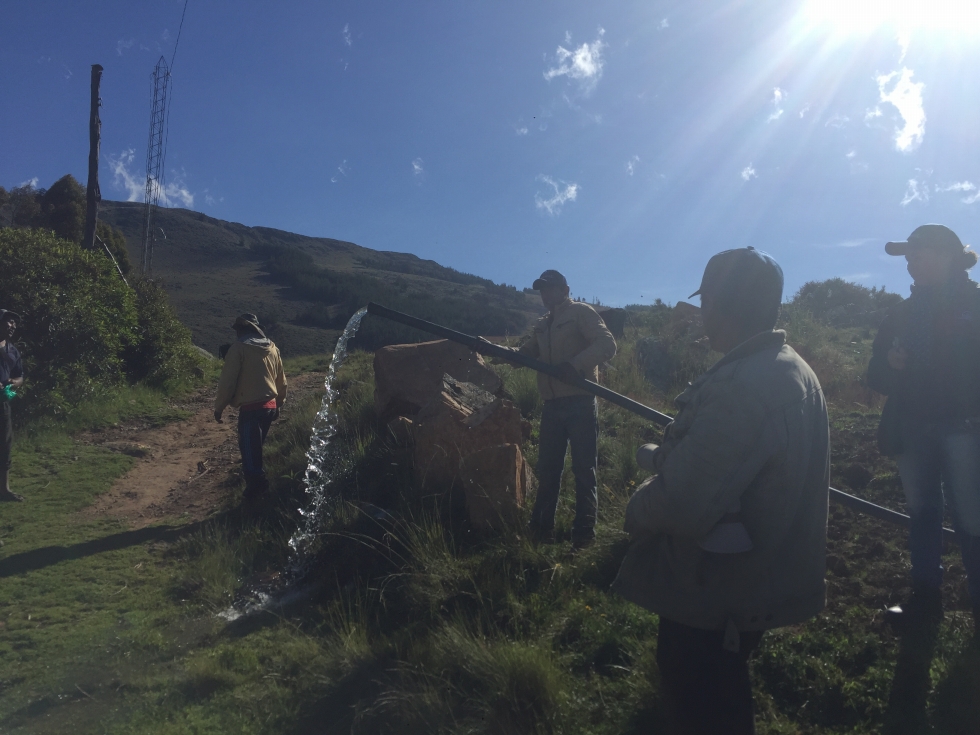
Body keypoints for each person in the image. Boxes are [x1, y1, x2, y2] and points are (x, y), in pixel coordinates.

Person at [613, 248, 830, 735]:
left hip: (715, 594)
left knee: (703, 701)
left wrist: (636, 508)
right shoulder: (791, 367)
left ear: (718, 303)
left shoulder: (745, 387)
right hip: (752, 586)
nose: (702, 317)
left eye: (706, 301)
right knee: (726, 697)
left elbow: (682, 503)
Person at [867, 224, 980, 634]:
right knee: (923, 514)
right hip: (913, 428)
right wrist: (891, 367)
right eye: (907, 256)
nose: (910, 262)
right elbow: (875, 376)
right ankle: (926, 602)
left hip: (967, 428)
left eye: (917, 253)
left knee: (972, 518)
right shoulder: (899, 314)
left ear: (947, 255)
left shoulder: (977, 303)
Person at [503, 270, 616, 547]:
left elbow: (607, 345)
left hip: (580, 402)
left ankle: (584, 535)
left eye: (550, 288)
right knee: (549, 470)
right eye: (542, 289)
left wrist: (574, 365)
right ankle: (541, 532)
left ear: (565, 289)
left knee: (584, 470)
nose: (545, 294)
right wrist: (496, 352)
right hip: (552, 406)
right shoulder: (543, 324)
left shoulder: (580, 312)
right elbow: (525, 355)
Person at [214, 313, 287, 499]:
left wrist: (219, 407)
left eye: (237, 329)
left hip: (251, 409)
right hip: (269, 406)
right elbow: (281, 381)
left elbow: (227, 382)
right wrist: (278, 404)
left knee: (249, 452)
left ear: (241, 329)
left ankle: (256, 494)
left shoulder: (238, 349)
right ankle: (259, 492)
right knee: (256, 449)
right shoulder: (272, 348)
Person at [0, 309, 24, 502]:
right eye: (8, 322)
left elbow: (20, 376)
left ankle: (4, 490)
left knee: (4, 446)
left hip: (3, 405)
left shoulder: (12, 350)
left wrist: (14, 383)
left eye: (14, 323)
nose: (12, 326)